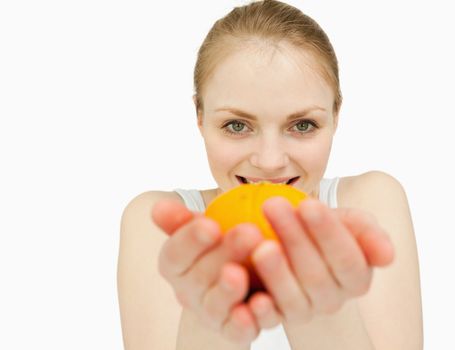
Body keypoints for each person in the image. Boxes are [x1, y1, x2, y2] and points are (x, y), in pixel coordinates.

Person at [117, 0, 423, 349]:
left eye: (303, 125)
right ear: (199, 117)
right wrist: (209, 321)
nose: (270, 161)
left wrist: (323, 310)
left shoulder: (370, 202)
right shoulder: (159, 224)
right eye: (236, 125)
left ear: (336, 116)